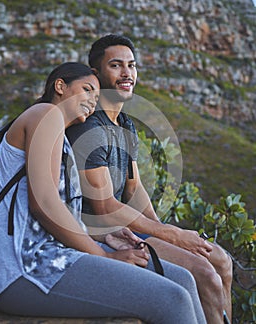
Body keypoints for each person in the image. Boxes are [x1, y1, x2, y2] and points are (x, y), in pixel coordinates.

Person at [0, 62, 206, 324]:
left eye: (96, 97)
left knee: (184, 279)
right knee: (171, 298)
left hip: (51, 257)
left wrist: (104, 234)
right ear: (60, 86)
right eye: (86, 90)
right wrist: (106, 257)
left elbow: (45, 212)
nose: (92, 101)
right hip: (21, 270)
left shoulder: (57, 133)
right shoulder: (45, 115)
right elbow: (43, 204)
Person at [66, 35, 233, 324]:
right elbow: (104, 207)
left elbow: (134, 187)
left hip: (127, 225)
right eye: (116, 65)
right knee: (205, 274)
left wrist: (160, 228)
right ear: (96, 73)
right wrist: (171, 236)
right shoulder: (90, 126)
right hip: (100, 234)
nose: (127, 73)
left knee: (222, 263)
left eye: (131, 65)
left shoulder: (123, 122)